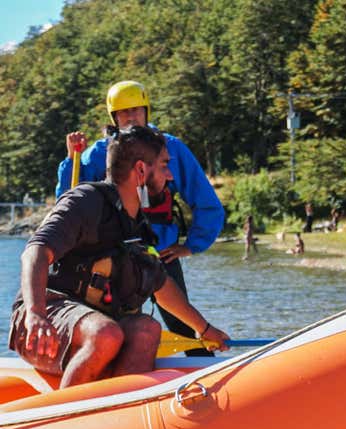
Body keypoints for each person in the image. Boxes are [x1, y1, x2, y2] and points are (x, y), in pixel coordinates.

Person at [8, 126, 230, 389]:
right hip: (43, 323)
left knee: (148, 329)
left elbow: (161, 287)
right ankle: (65, 417)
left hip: (97, 323)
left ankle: (120, 411)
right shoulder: (85, 202)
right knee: (106, 333)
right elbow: (35, 252)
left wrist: (205, 330)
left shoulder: (139, 225)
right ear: (140, 171)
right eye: (164, 165)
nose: (170, 175)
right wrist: (35, 313)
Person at [55, 80, 225, 357]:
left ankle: (201, 365)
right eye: (123, 113)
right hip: (115, 254)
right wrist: (71, 159)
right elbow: (70, 199)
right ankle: (107, 365)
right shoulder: (99, 154)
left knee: (181, 320)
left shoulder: (170, 149)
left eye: (136, 110)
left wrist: (192, 245)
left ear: (146, 111)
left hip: (161, 251)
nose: (131, 117)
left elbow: (206, 202)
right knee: (112, 323)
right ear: (114, 117)